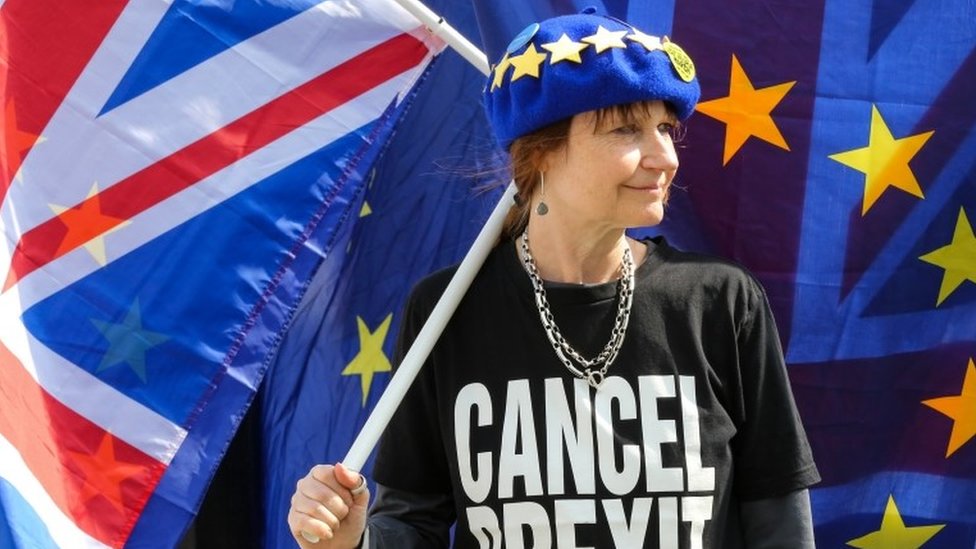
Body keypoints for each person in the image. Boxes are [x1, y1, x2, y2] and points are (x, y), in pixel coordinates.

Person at [288, 8, 820, 548]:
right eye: (626, 130)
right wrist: (354, 542)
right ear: (541, 151)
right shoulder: (447, 309)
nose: (664, 157)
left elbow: (777, 517)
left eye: (665, 128)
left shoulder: (720, 301)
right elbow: (413, 521)